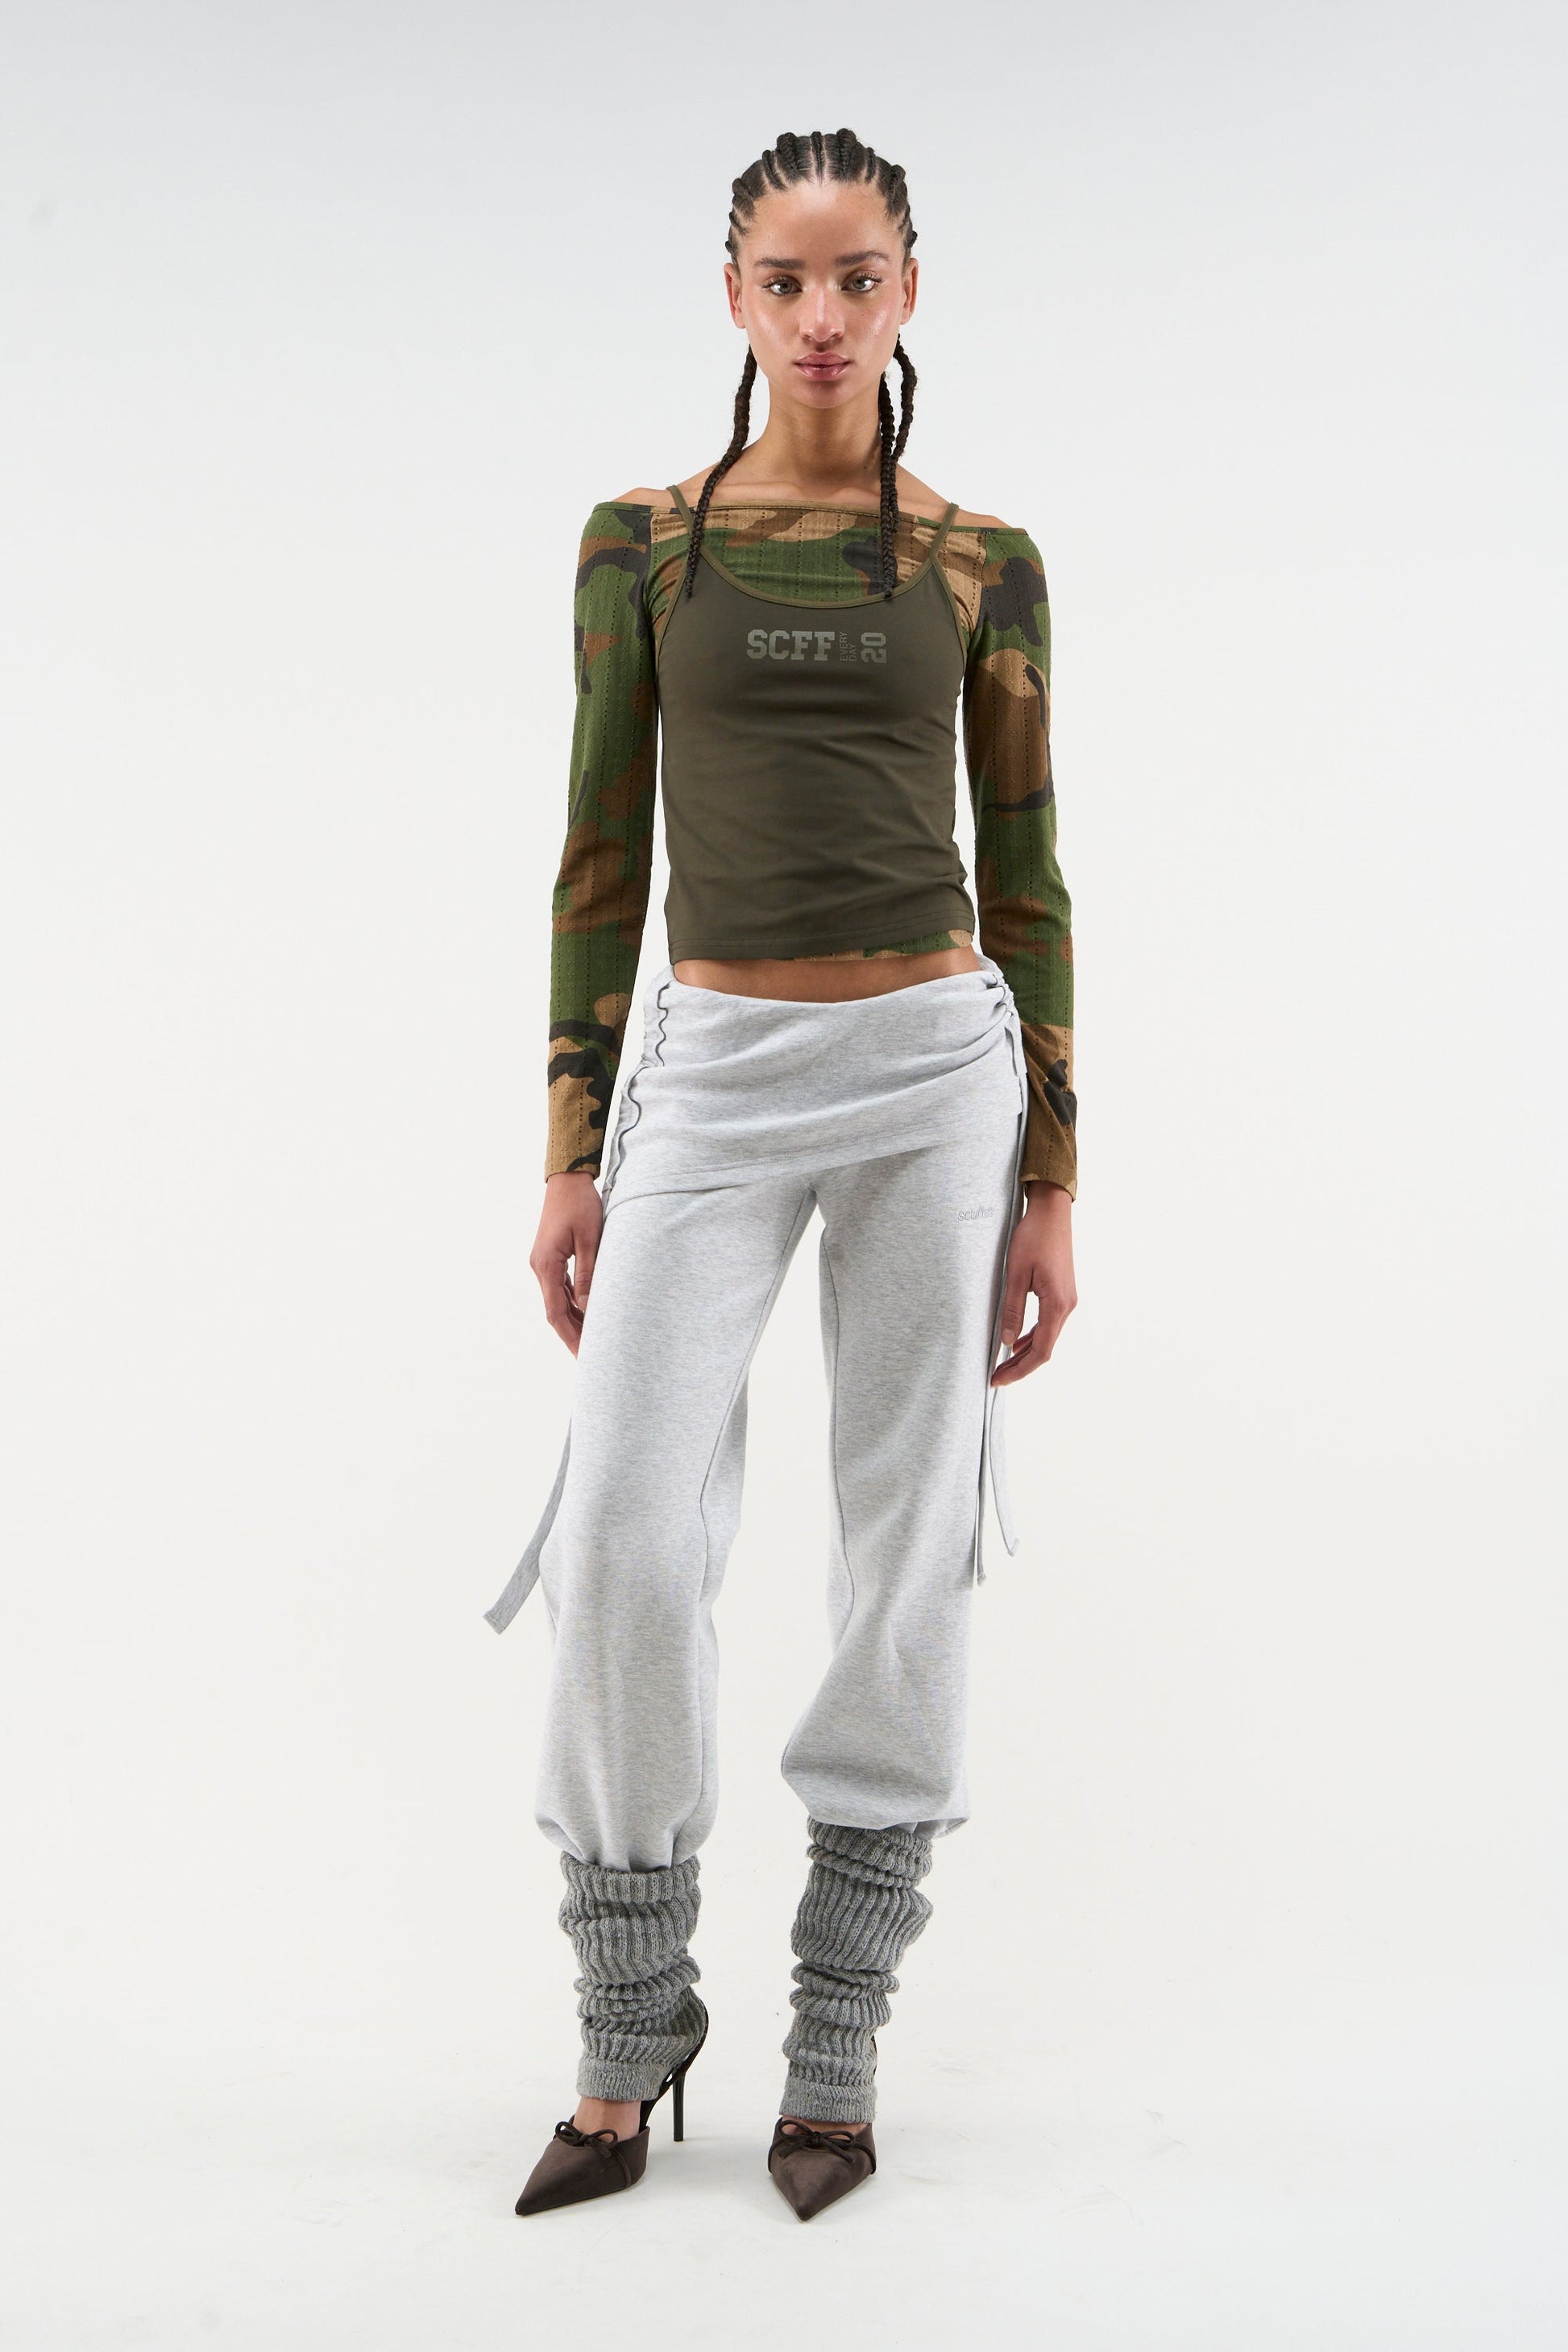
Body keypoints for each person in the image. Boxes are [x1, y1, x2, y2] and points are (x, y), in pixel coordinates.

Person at [484, 125, 1077, 2221]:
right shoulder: (642, 545)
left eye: (858, 279)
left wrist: (1053, 1176)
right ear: (732, 297)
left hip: (931, 1073)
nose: (822, 317)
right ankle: (630, 2012)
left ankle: (839, 2026)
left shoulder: (981, 561)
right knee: (624, 1528)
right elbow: (597, 853)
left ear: (910, 292)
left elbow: (1029, 872)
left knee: (904, 1542)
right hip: (712, 1074)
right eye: (785, 280)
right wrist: (575, 1145)